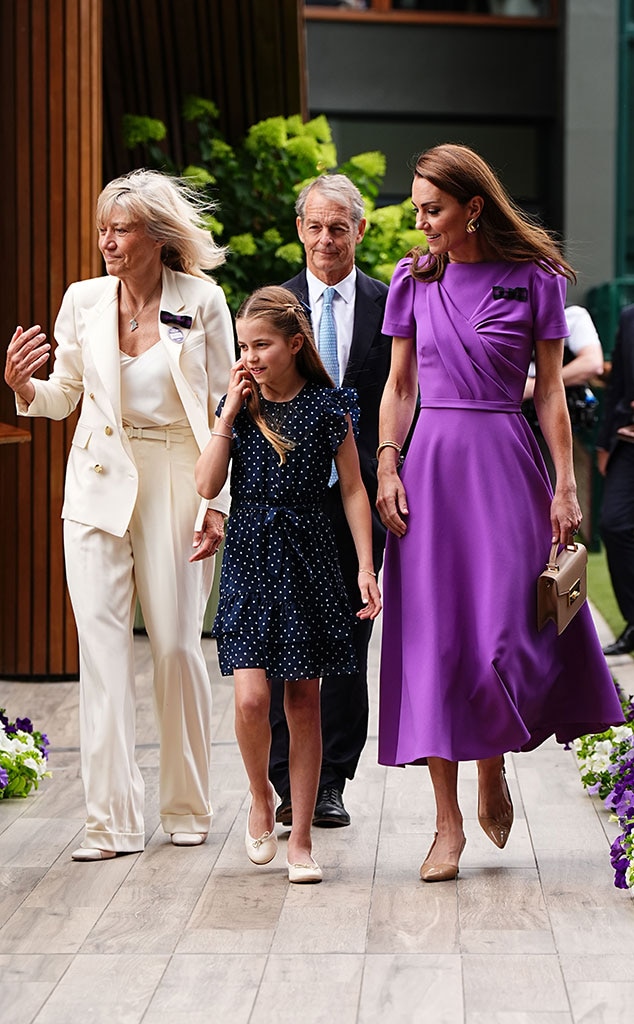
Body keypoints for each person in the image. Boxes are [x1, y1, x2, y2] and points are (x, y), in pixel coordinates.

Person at [375, 143, 625, 883]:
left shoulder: (534, 279)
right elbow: (398, 385)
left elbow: (550, 390)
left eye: (433, 210)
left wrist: (566, 486)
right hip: (429, 474)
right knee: (435, 645)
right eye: (418, 208)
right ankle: (445, 825)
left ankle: (493, 766)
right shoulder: (411, 279)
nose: (420, 223)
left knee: (499, 640)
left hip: (505, 469)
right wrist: (388, 461)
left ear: (473, 207)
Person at [4, 169, 235, 861]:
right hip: (98, 480)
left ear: (158, 237)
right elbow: (64, 394)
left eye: (121, 228)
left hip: (177, 479)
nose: (107, 240)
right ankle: (110, 824)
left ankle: (187, 807)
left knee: (172, 648)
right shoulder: (83, 299)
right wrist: (22, 386)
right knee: (102, 657)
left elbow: (230, 405)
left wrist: (218, 502)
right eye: (103, 226)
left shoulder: (204, 300)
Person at [194, 285, 381, 882]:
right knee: (251, 697)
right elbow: (204, 484)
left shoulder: (330, 405)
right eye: (243, 346)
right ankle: (257, 796)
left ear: (294, 344)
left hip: (309, 558)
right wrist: (226, 413)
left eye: (262, 345)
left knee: (303, 700)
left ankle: (300, 838)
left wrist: (364, 566)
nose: (249, 356)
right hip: (249, 555)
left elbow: (353, 488)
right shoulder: (240, 408)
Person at [269, 173, 392, 829]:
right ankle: (290, 781)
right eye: (314, 226)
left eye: (337, 227)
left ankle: (332, 780)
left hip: (361, 503)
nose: (325, 239)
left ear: (360, 230)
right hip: (286, 505)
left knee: (348, 642)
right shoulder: (275, 306)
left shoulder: (388, 302)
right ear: (300, 230)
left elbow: (407, 399)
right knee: (286, 639)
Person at [523, 305, 603, 479]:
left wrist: (537, 386)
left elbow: (592, 362)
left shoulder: (571, 315)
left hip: (555, 426)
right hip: (511, 425)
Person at [597, 304, 634, 655]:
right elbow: (617, 384)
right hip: (627, 440)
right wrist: (604, 443)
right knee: (613, 524)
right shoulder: (628, 316)